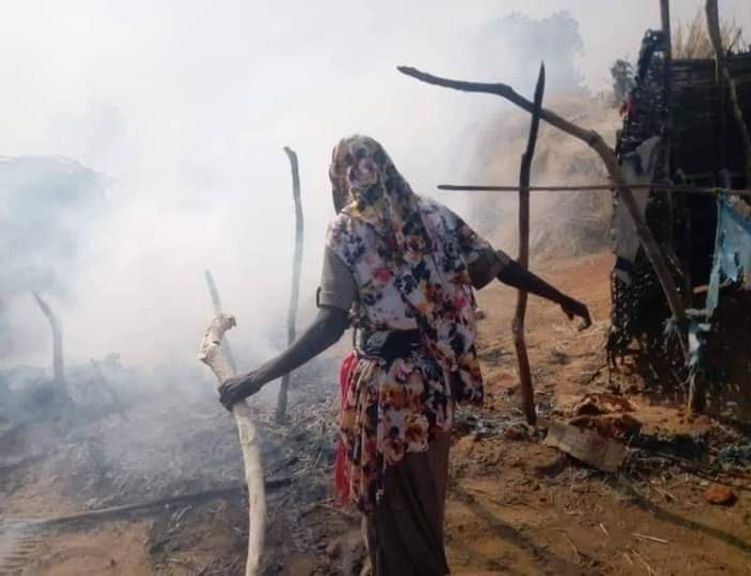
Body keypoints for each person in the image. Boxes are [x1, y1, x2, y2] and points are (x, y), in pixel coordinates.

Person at [219, 135, 591, 575]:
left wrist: (256, 378)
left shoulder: (347, 229)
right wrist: (561, 296)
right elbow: (498, 264)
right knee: (423, 505)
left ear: (343, 175)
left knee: (391, 513)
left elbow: (329, 325)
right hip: (436, 386)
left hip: (387, 396)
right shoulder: (433, 214)